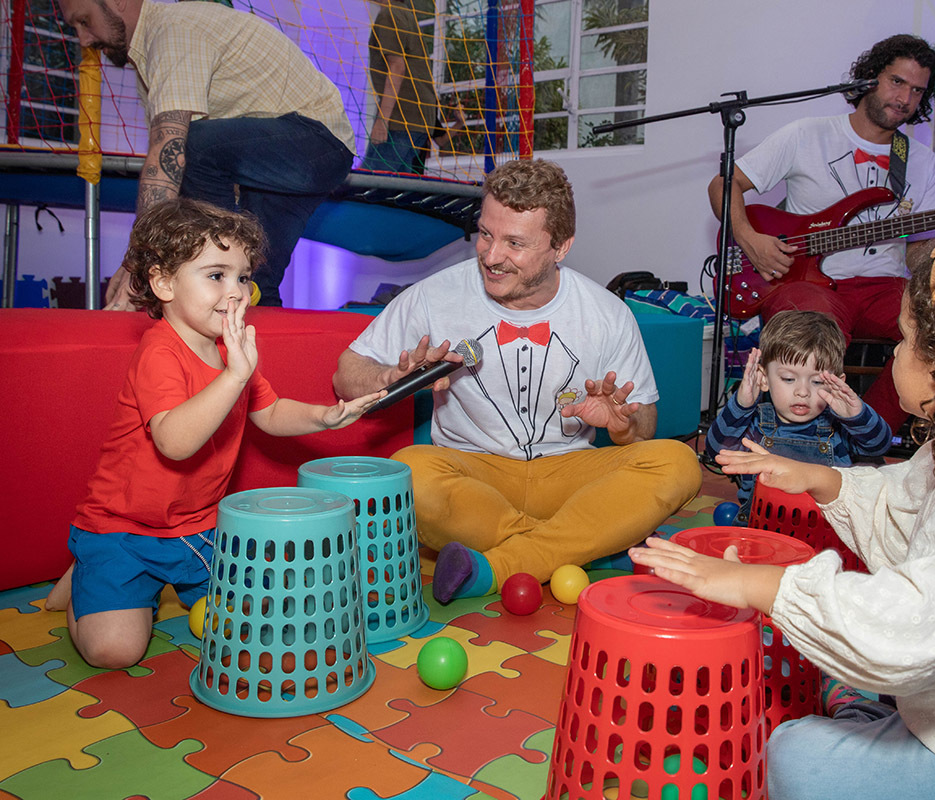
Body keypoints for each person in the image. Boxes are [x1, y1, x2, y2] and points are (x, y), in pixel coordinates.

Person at [630, 230, 935, 800]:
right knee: (845, 700)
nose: (893, 352)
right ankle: (866, 717)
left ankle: (864, 721)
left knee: (793, 757)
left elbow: (914, 627)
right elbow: (905, 501)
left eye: (906, 339)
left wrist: (759, 584)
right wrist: (825, 479)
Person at [333, 158, 701, 604]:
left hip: (567, 472)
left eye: (515, 243)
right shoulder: (434, 294)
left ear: (560, 247)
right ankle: (587, 546)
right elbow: (345, 375)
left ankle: (501, 566)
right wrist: (391, 376)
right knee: (409, 474)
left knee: (677, 463)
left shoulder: (606, 313)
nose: (491, 256)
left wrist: (622, 424)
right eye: (486, 234)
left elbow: (645, 427)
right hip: (473, 473)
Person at [45, 199, 382, 669]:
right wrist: (233, 377)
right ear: (164, 283)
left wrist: (322, 416)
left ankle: (118, 579)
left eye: (243, 277)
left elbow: (269, 411)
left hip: (199, 527)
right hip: (125, 527)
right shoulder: (159, 352)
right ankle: (88, 569)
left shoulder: (231, 350)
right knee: (115, 652)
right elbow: (174, 442)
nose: (236, 292)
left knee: (262, 616)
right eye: (216, 275)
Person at [708, 34, 935, 430]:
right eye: (897, 82)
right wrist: (750, 238)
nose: (905, 98)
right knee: (810, 329)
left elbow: (917, 256)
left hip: (884, 286)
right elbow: (724, 184)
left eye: (916, 91)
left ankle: (864, 434)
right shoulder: (807, 134)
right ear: (868, 78)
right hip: (808, 283)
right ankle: (802, 438)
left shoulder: (922, 162)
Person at [56, 0, 356, 308]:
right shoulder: (150, 60)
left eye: (85, 21)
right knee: (252, 283)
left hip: (315, 143)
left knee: (190, 147)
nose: (84, 40)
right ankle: (250, 344)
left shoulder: (172, 29)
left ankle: (213, 263)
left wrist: (139, 261)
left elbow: (168, 156)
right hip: (289, 162)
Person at [705, 309, 891, 522]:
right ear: (764, 378)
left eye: (817, 382)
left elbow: (879, 446)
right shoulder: (754, 425)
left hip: (825, 533)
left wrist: (857, 416)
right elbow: (717, 451)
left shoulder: (839, 428)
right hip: (762, 532)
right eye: (788, 379)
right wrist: (741, 405)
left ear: (836, 383)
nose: (802, 392)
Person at [365, 0, 464, 174]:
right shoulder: (405, 13)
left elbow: (397, 66)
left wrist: (383, 120)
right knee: (398, 188)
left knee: (369, 181)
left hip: (402, 118)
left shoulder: (389, 14)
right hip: (417, 120)